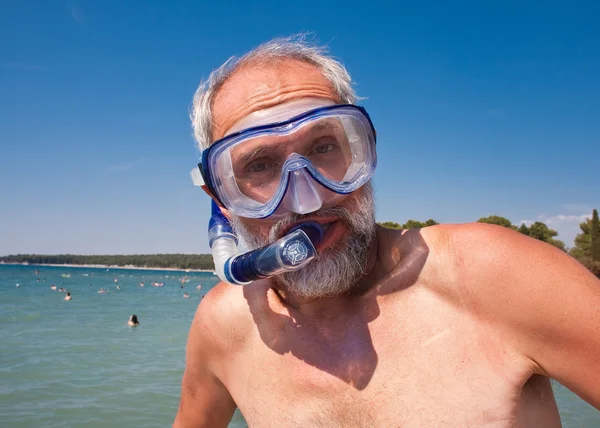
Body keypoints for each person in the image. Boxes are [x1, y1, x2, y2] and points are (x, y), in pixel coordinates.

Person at [173, 36, 600, 428]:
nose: (306, 200)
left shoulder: (491, 276)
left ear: (365, 147)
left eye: (324, 147)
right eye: (259, 165)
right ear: (221, 199)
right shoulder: (225, 327)